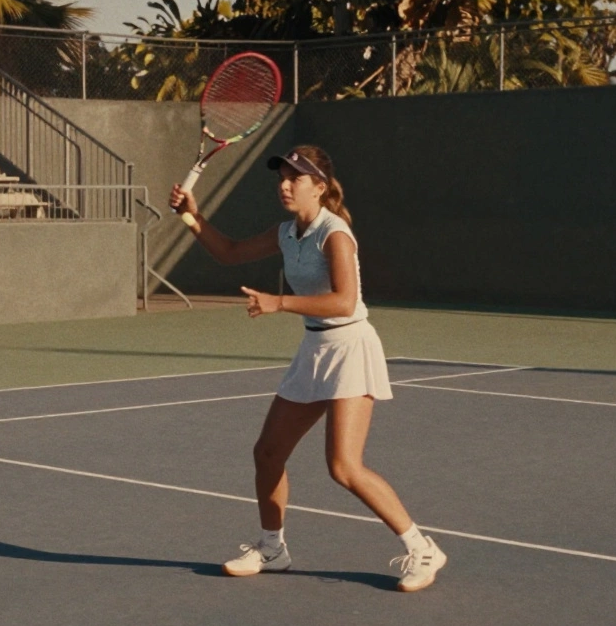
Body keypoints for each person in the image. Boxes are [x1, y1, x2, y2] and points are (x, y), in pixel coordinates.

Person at [168, 145, 447, 593]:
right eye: (281, 177)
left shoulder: (334, 234)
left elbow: (345, 301)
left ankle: (423, 549)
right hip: (314, 348)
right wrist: (191, 216)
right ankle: (272, 549)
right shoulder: (286, 232)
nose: (284, 185)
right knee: (268, 453)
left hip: (350, 347)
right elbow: (230, 252)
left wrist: (279, 302)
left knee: (344, 466)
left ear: (319, 186)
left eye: (294, 178)